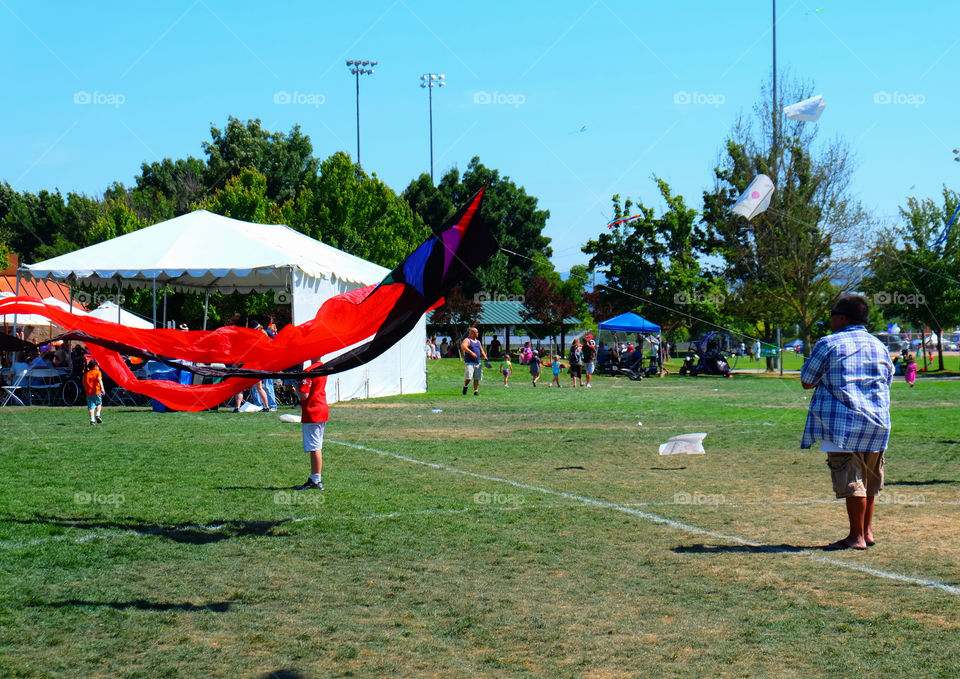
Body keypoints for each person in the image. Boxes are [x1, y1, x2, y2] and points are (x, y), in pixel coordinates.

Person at [801, 294, 893, 551]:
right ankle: (867, 531)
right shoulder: (880, 345)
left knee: (851, 480)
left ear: (841, 317)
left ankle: (856, 537)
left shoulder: (828, 342)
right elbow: (887, 380)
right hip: (878, 421)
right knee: (869, 479)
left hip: (842, 424)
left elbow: (807, 381)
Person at [295, 359, 328, 490]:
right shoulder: (324, 368)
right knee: (316, 445)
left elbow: (304, 395)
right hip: (321, 408)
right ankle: (315, 478)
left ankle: (315, 479)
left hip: (313, 410)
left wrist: (296, 388)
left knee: (314, 446)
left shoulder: (309, 371)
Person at [461, 327, 487, 396]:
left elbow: (481, 350)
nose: (477, 334)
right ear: (472, 333)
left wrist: (485, 356)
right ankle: (465, 386)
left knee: (476, 378)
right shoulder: (467, 340)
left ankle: (476, 391)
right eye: (476, 332)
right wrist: (471, 352)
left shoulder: (478, 342)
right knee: (469, 377)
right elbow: (463, 346)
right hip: (469, 362)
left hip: (477, 362)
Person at [84, 359, 105, 425]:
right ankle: (98, 414)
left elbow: (84, 384)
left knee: (91, 407)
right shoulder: (98, 372)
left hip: (89, 393)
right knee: (99, 403)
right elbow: (99, 380)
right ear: (95, 366)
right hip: (97, 391)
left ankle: (92, 419)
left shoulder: (86, 374)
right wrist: (102, 388)